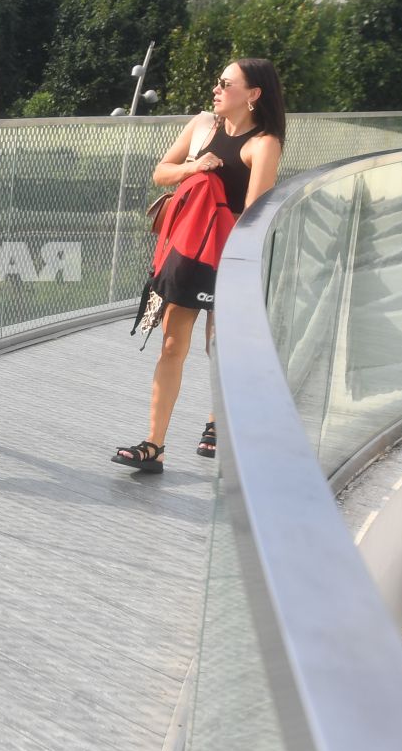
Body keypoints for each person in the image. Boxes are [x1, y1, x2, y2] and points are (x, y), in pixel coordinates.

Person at [113, 59, 285, 473]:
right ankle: (154, 445)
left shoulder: (263, 144)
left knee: (219, 346)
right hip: (190, 251)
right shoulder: (202, 126)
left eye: (226, 84)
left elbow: (253, 213)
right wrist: (195, 166)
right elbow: (161, 173)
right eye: (217, 82)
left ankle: (217, 421)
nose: (216, 89)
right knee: (172, 344)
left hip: (230, 257)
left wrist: (240, 274)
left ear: (253, 94)